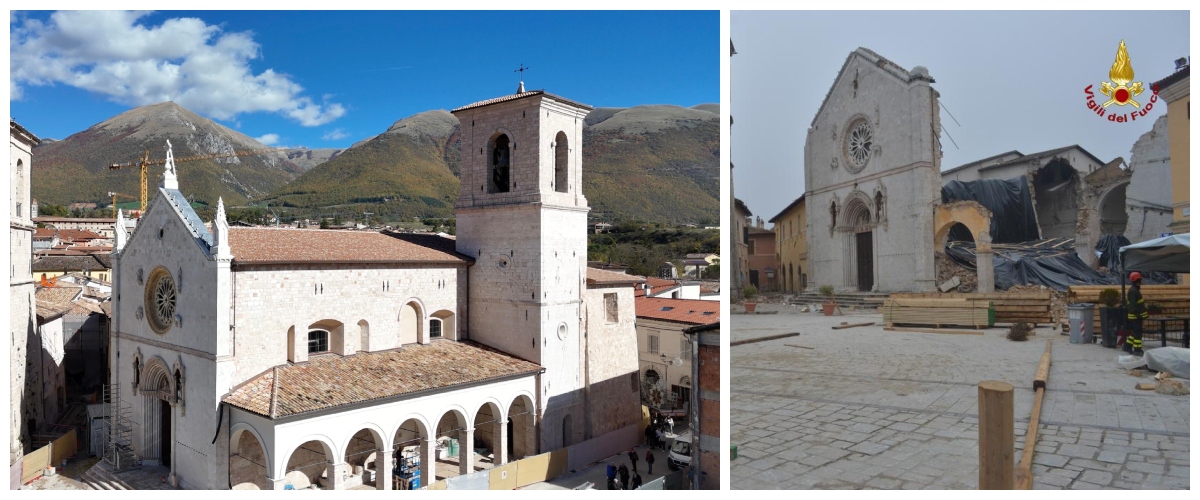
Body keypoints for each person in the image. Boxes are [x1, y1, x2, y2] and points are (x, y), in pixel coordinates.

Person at [1124, 271, 1149, 356]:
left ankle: (1127, 346)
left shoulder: (1135, 290)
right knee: (1138, 334)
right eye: (1139, 280)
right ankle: (1137, 349)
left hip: (1136, 315)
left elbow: (1139, 304)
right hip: (1135, 316)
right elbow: (1134, 306)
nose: (1140, 282)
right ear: (1135, 281)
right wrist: (1139, 314)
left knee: (1135, 332)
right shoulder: (1134, 291)